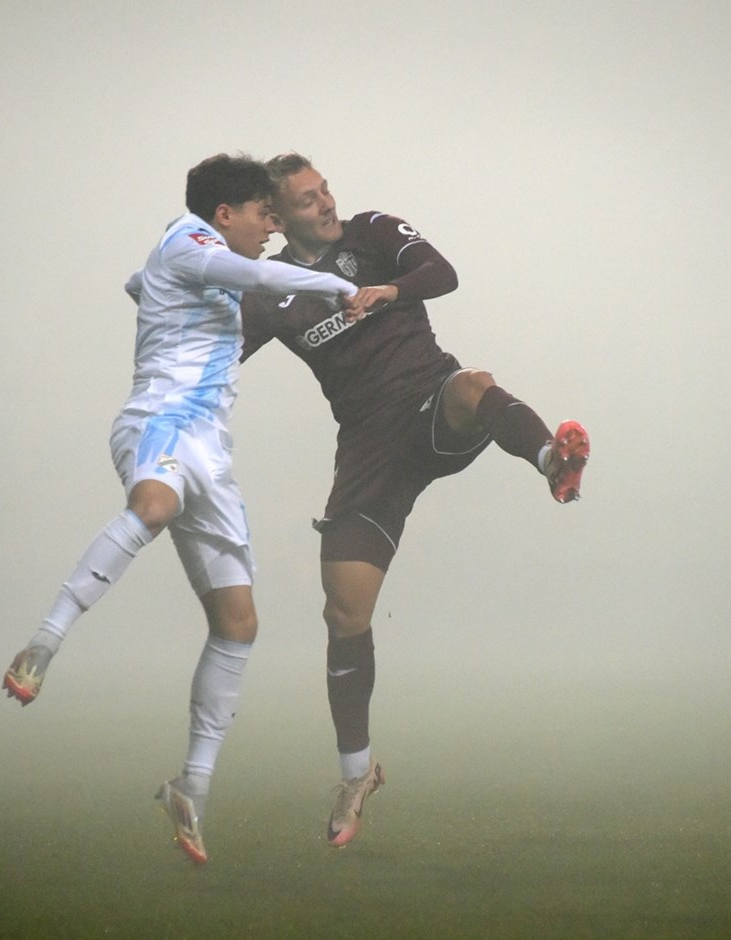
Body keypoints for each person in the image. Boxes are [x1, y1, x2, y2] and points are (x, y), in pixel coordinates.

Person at [1, 154, 359, 864]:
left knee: (239, 623)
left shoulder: (192, 262)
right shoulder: (189, 239)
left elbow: (144, 283)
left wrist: (146, 288)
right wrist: (343, 287)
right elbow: (259, 276)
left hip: (210, 454)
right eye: (263, 214)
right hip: (160, 422)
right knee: (154, 505)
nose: (270, 228)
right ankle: (41, 644)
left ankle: (191, 785)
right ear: (224, 215)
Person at [239, 153, 590, 848]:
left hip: (433, 405)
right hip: (370, 452)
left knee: (473, 383)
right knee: (345, 613)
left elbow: (443, 273)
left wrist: (388, 291)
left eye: (325, 189)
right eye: (308, 200)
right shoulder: (269, 290)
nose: (326, 203)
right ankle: (356, 775)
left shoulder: (371, 232)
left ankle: (553, 459)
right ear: (277, 216)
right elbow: (221, 354)